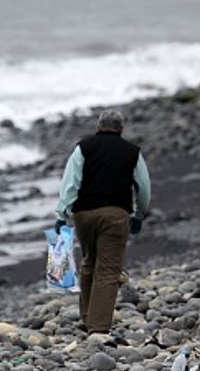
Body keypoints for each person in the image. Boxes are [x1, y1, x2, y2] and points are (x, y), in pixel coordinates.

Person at [54, 108, 151, 335]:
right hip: (115, 214)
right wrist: (139, 214)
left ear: (98, 127)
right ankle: (98, 328)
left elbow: (70, 183)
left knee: (89, 262)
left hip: (84, 215)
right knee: (108, 269)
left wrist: (61, 214)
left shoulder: (83, 148)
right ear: (121, 129)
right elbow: (143, 188)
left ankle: (88, 317)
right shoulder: (132, 152)